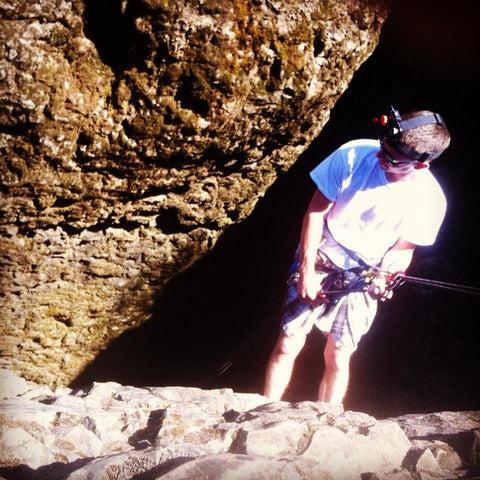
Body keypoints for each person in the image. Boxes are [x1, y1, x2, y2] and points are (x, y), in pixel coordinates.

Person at [264, 105, 451, 404]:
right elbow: (315, 213)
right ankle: (264, 408)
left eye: (391, 158)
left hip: (365, 269)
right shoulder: (352, 154)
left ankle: (326, 421)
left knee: (338, 354)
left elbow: (402, 250)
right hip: (323, 253)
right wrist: (307, 272)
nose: (379, 157)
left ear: (420, 166)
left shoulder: (430, 201)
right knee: (288, 341)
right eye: (383, 147)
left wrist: (387, 276)